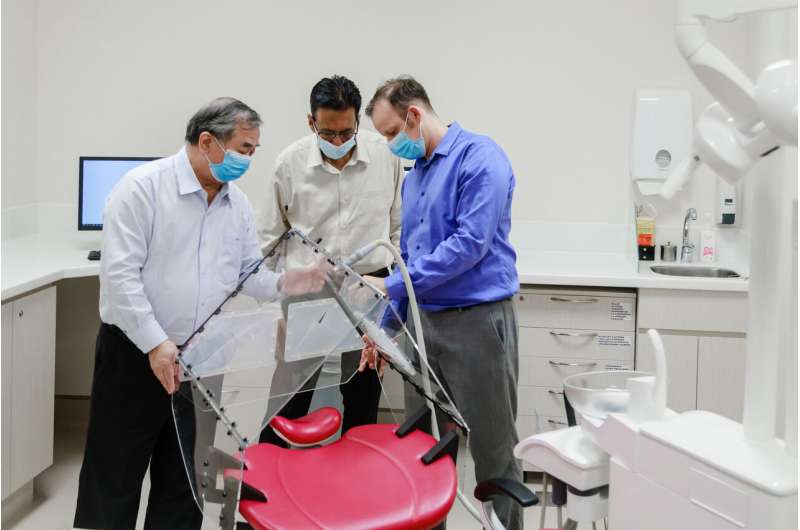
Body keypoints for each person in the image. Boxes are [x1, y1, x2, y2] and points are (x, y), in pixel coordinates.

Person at [74, 97, 327, 530]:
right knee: (114, 476)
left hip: (198, 360)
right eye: (244, 149)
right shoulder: (141, 189)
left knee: (184, 480)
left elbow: (247, 274)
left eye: (252, 151)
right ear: (207, 141)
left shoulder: (238, 205)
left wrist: (288, 282)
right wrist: (156, 343)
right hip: (135, 356)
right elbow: (120, 279)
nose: (248, 160)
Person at [363, 76, 523, 530]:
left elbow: (470, 244)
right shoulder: (416, 179)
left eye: (393, 133)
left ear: (414, 115)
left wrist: (391, 288)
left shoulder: (480, 158)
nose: (392, 144)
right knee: (424, 447)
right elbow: (410, 260)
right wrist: (383, 327)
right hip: (423, 326)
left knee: (493, 449)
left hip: (477, 324)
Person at [258, 75, 403, 442]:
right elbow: (269, 244)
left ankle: (357, 479)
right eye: (328, 134)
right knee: (290, 394)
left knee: (363, 394)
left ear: (358, 122)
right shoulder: (289, 164)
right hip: (309, 290)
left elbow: (400, 230)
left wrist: (392, 293)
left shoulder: (386, 157)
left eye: (346, 132)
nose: (338, 142)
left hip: (368, 289)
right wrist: (276, 309)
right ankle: (268, 484)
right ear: (311, 123)